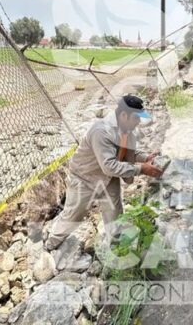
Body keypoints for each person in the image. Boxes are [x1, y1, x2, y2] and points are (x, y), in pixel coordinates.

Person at [44, 95, 163, 251]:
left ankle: (117, 247)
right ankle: (51, 245)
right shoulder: (101, 131)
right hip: (84, 177)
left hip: (108, 178)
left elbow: (130, 152)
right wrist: (142, 168)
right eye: (136, 118)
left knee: (114, 212)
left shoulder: (127, 131)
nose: (139, 122)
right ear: (124, 115)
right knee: (74, 215)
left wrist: (147, 157)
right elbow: (109, 166)